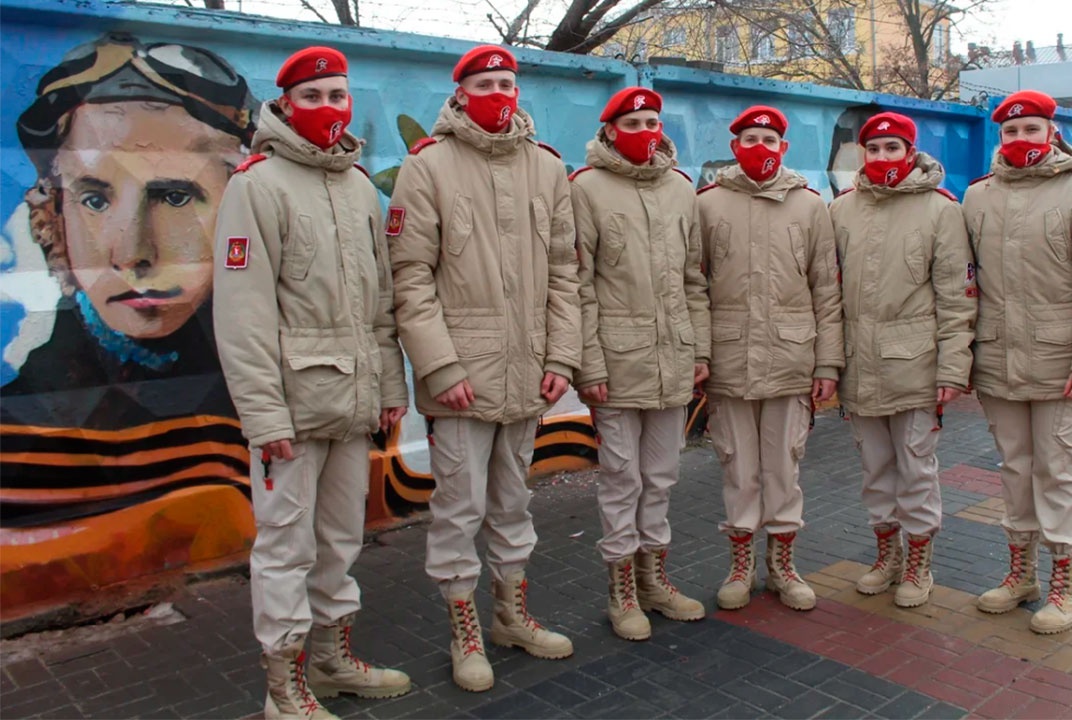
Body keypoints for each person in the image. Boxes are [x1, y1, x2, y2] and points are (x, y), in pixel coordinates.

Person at [212, 46, 411, 717]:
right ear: (287, 105)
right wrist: (264, 420)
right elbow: (243, 318)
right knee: (284, 548)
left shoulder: (357, 186)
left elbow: (380, 305)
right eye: (315, 98)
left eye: (338, 98)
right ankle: (283, 685)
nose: (330, 110)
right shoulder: (255, 185)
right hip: (291, 415)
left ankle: (328, 660)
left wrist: (390, 389)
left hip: (351, 405)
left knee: (338, 541)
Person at [386, 45, 580, 692]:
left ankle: (511, 616)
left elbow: (564, 272)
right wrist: (440, 367)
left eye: (508, 82)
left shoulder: (546, 169)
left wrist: (561, 357)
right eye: (486, 83)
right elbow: (410, 277)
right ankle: (463, 629)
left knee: (512, 504)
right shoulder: (429, 168)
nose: (501, 93)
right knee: (458, 508)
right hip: (461, 380)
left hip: (527, 371)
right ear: (460, 92)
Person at [2, 33, 257, 524]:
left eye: (175, 197)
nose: (131, 252)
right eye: (94, 200)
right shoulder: (20, 427)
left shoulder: (263, 381)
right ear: (54, 214)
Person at [962, 90, 1072, 634]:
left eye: (1031, 131)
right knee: (1015, 470)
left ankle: (1068, 585)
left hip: (1062, 367)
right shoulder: (978, 197)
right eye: (1010, 133)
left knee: (1059, 471)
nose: (1019, 141)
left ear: (1051, 134)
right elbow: (966, 285)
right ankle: (1021, 574)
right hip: (999, 364)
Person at [570, 86, 711, 641]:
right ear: (608, 131)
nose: (645, 130)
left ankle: (655, 579)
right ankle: (621, 589)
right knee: (621, 479)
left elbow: (694, 280)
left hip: (673, 358)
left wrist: (699, 348)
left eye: (652, 120)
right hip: (616, 361)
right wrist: (589, 363)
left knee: (662, 476)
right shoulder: (585, 188)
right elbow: (577, 284)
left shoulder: (680, 189)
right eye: (632, 122)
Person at [696, 106, 843, 613]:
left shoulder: (810, 205)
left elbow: (827, 290)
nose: (761, 146)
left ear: (784, 147)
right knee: (738, 466)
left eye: (770, 138)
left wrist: (827, 364)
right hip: (729, 358)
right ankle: (741, 566)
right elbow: (696, 286)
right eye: (750, 137)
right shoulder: (709, 204)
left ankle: (783, 565)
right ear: (735, 146)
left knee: (784, 466)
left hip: (790, 358)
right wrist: (700, 353)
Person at [828, 112, 975, 609]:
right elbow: (829, 292)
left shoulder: (941, 210)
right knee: (875, 468)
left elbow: (958, 298)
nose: (884, 158)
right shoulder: (842, 209)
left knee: (915, 468)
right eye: (875, 150)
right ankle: (885, 555)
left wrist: (954, 368)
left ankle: (918, 562)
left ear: (910, 154)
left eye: (894, 149)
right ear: (862, 155)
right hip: (860, 365)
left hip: (916, 365)